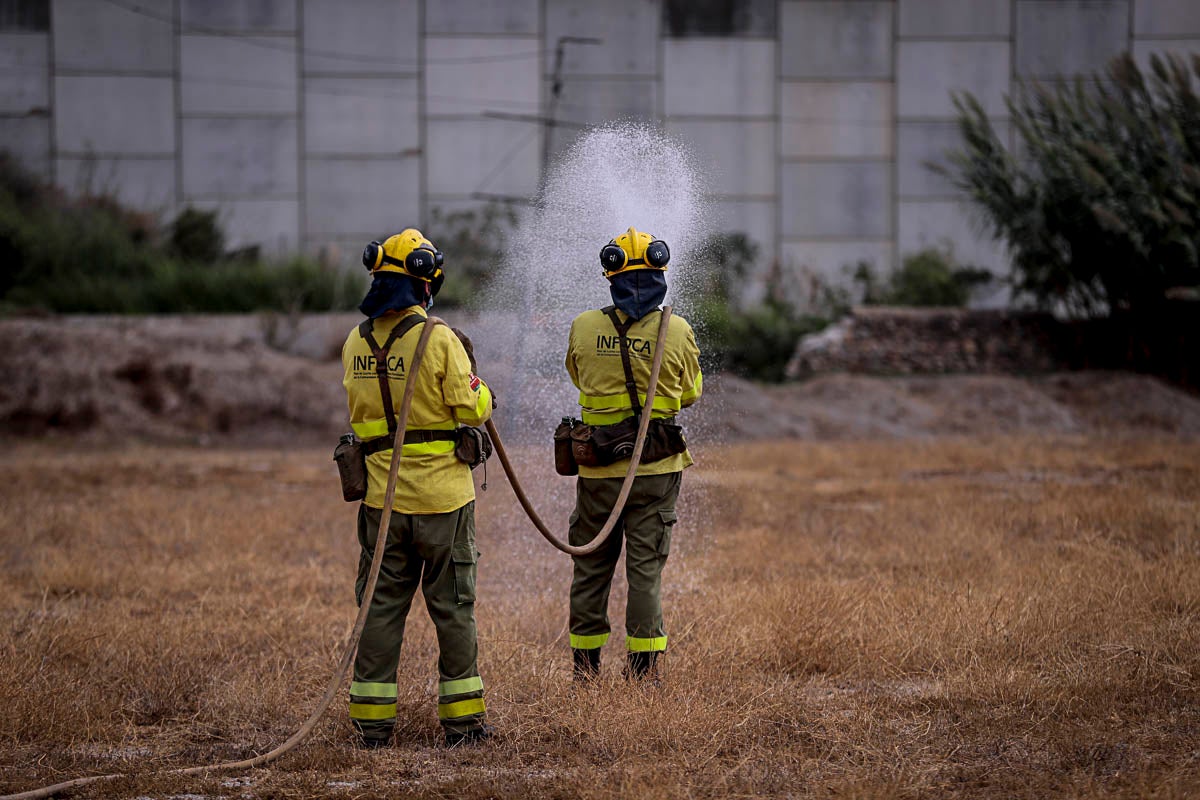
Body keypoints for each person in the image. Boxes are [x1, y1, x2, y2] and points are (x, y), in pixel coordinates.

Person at [341, 228, 493, 748]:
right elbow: (474, 408)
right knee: (452, 608)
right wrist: (479, 383)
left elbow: (361, 416)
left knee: (379, 608)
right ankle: (464, 726)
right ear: (425, 282)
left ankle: (371, 725)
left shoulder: (354, 343)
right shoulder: (439, 339)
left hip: (381, 505)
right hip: (444, 503)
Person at [564, 226, 703, 683]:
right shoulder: (677, 330)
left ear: (611, 276)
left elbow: (577, 376)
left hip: (599, 473)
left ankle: (585, 673)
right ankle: (643, 673)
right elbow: (690, 393)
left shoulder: (584, 326)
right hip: (657, 471)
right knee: (645, 573)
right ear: (661, 273)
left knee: (590, 570)